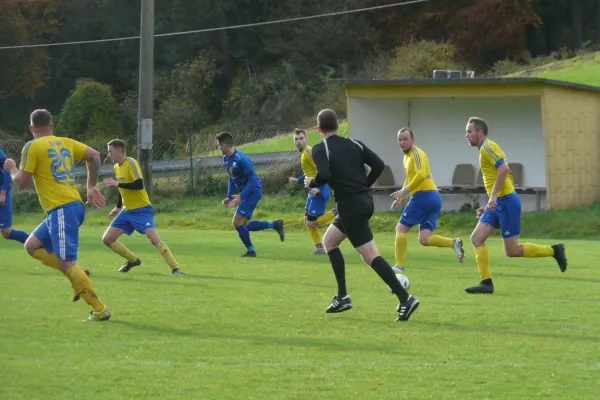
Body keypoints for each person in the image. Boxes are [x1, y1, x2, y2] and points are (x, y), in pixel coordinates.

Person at [305, 109, 419, 322]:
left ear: (319, 129)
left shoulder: (321, 148)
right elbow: (378, 164)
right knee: (329, 241)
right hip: (363, 201)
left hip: (350, 206)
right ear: (338, 126)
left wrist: (311, 182)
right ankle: (342, 296)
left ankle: (405, 299)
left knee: (369, 256)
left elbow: (325, 175)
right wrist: (363, 185)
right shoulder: (355, 143)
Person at [3, 109, 109, 321]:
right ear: (52, 126)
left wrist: (12, 169)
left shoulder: (31, 146)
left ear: (31, 128)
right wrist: (90, 186)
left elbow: (22, 183)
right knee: (31, 246)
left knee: (66, 262)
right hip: (69, 207)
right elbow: (95, 156)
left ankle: (99, 309)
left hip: (63, 208)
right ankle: (78, 273)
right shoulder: (65, 142)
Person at [464, 116, 567, 294]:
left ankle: (554, 250)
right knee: (476, 238)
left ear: (479, 132)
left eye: (469, 131)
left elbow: (503, 169)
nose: (466, 135)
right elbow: (505, 172)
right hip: (498, 203)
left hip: (506, 203)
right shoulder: (484, 150)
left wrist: (494, 197)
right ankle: (486, 283)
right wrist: (490, 201)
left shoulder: (488, 147)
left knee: (512, 251)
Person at [101, 139, 182, 275]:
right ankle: (133, 260)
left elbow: (138, 185)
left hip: (141, 209)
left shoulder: (131, 163)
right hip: (127, 211)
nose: (109, 155)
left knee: (153, 238)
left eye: (111, 151)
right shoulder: (116, 167)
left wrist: (117, 184)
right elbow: (123, 190)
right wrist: (118, 207)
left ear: (120, 150)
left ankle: (175, 268)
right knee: (107, 239)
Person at [390, 128, 464, 273]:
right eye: (400, 139)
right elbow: (410, 178)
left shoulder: (416, 153)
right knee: (424, 239)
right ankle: (453, 243)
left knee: (401, 228)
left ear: (413, 140)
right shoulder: (406, 157)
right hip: (433, 198)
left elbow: (421, 175)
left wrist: (404, 191)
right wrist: (401, 196)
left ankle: (399, 266)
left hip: (424, 196)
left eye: (405, 139)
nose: (402, 142)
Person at [217, 132, 285, 257]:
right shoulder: (226, 158)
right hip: (246, 193)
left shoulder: (241, 159)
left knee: (236, 222)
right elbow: (231, 177)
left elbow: (253, 181)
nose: (218, 148)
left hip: (253, 192)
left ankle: (251, 251)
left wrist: (240, 197)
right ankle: (275, 224)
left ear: (225, 145)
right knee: (245, 225)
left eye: (219, 145)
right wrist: (229, 195)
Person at [288, 128, 337, 255]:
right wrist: (298, 181)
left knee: (312, 222)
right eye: (296, 139)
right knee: (307, 221)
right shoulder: (304, 152)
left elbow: (322, 169)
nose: (298, 141)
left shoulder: (309, 152)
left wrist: (316, 186)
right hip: (312, 190)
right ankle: (319, 247)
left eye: (301, 138)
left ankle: (338, 212)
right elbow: (309, 173)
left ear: (306, 139)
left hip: (318, 190)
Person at [0, 147, 29, 244]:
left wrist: (3, 193)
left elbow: (7, 170)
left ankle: (38, 243)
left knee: (7, 232)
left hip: (1, 193)